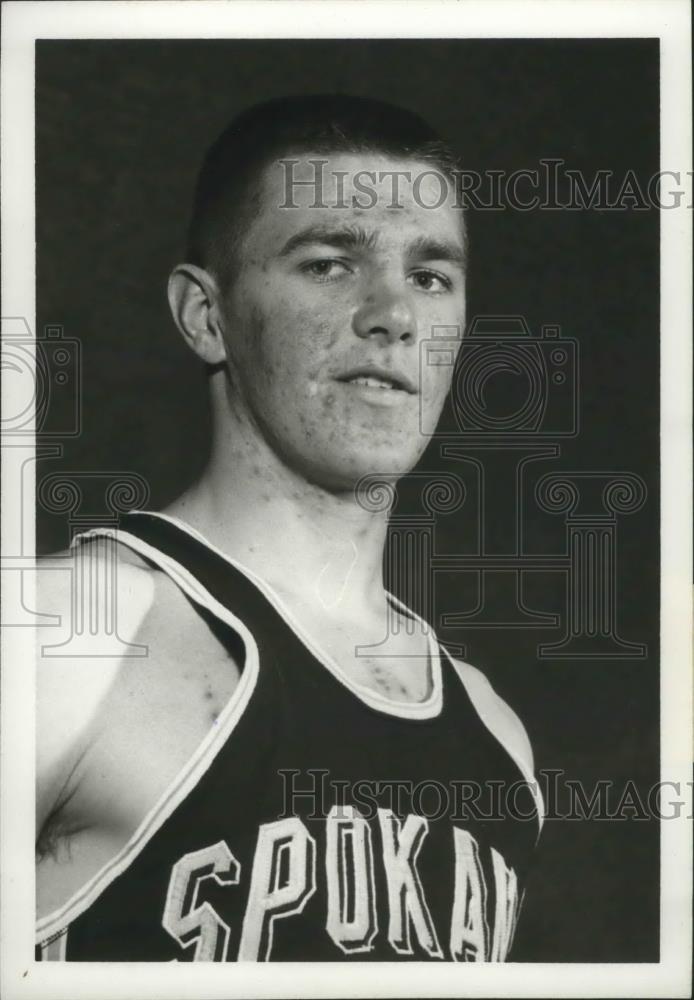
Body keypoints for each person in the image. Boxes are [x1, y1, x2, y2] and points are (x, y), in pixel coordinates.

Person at [35, 94, 543, 962]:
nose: (394, 314)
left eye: (430, 276)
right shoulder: (60, 639)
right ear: (206, 315)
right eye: (328, 264)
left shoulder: (498, 744)